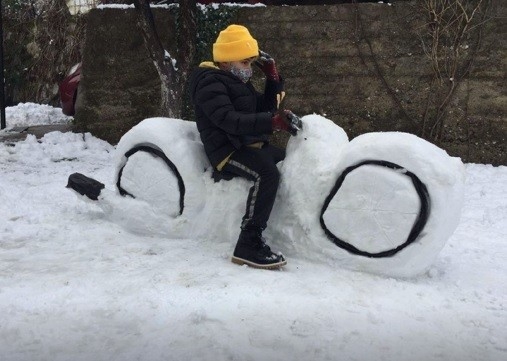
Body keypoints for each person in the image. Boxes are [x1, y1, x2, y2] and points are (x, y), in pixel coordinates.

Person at [188, 24, 300, 270]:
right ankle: (248, 242)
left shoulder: (235, 82)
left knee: (289, 161)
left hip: (248, 144)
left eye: (251, 63)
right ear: (227, 62)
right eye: (244, 63)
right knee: (267, 173)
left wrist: (273, 79)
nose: (249, 69)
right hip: (228, 151)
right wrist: (272, 123)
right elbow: (229, 121)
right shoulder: (209, 83)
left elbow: (263, 108)